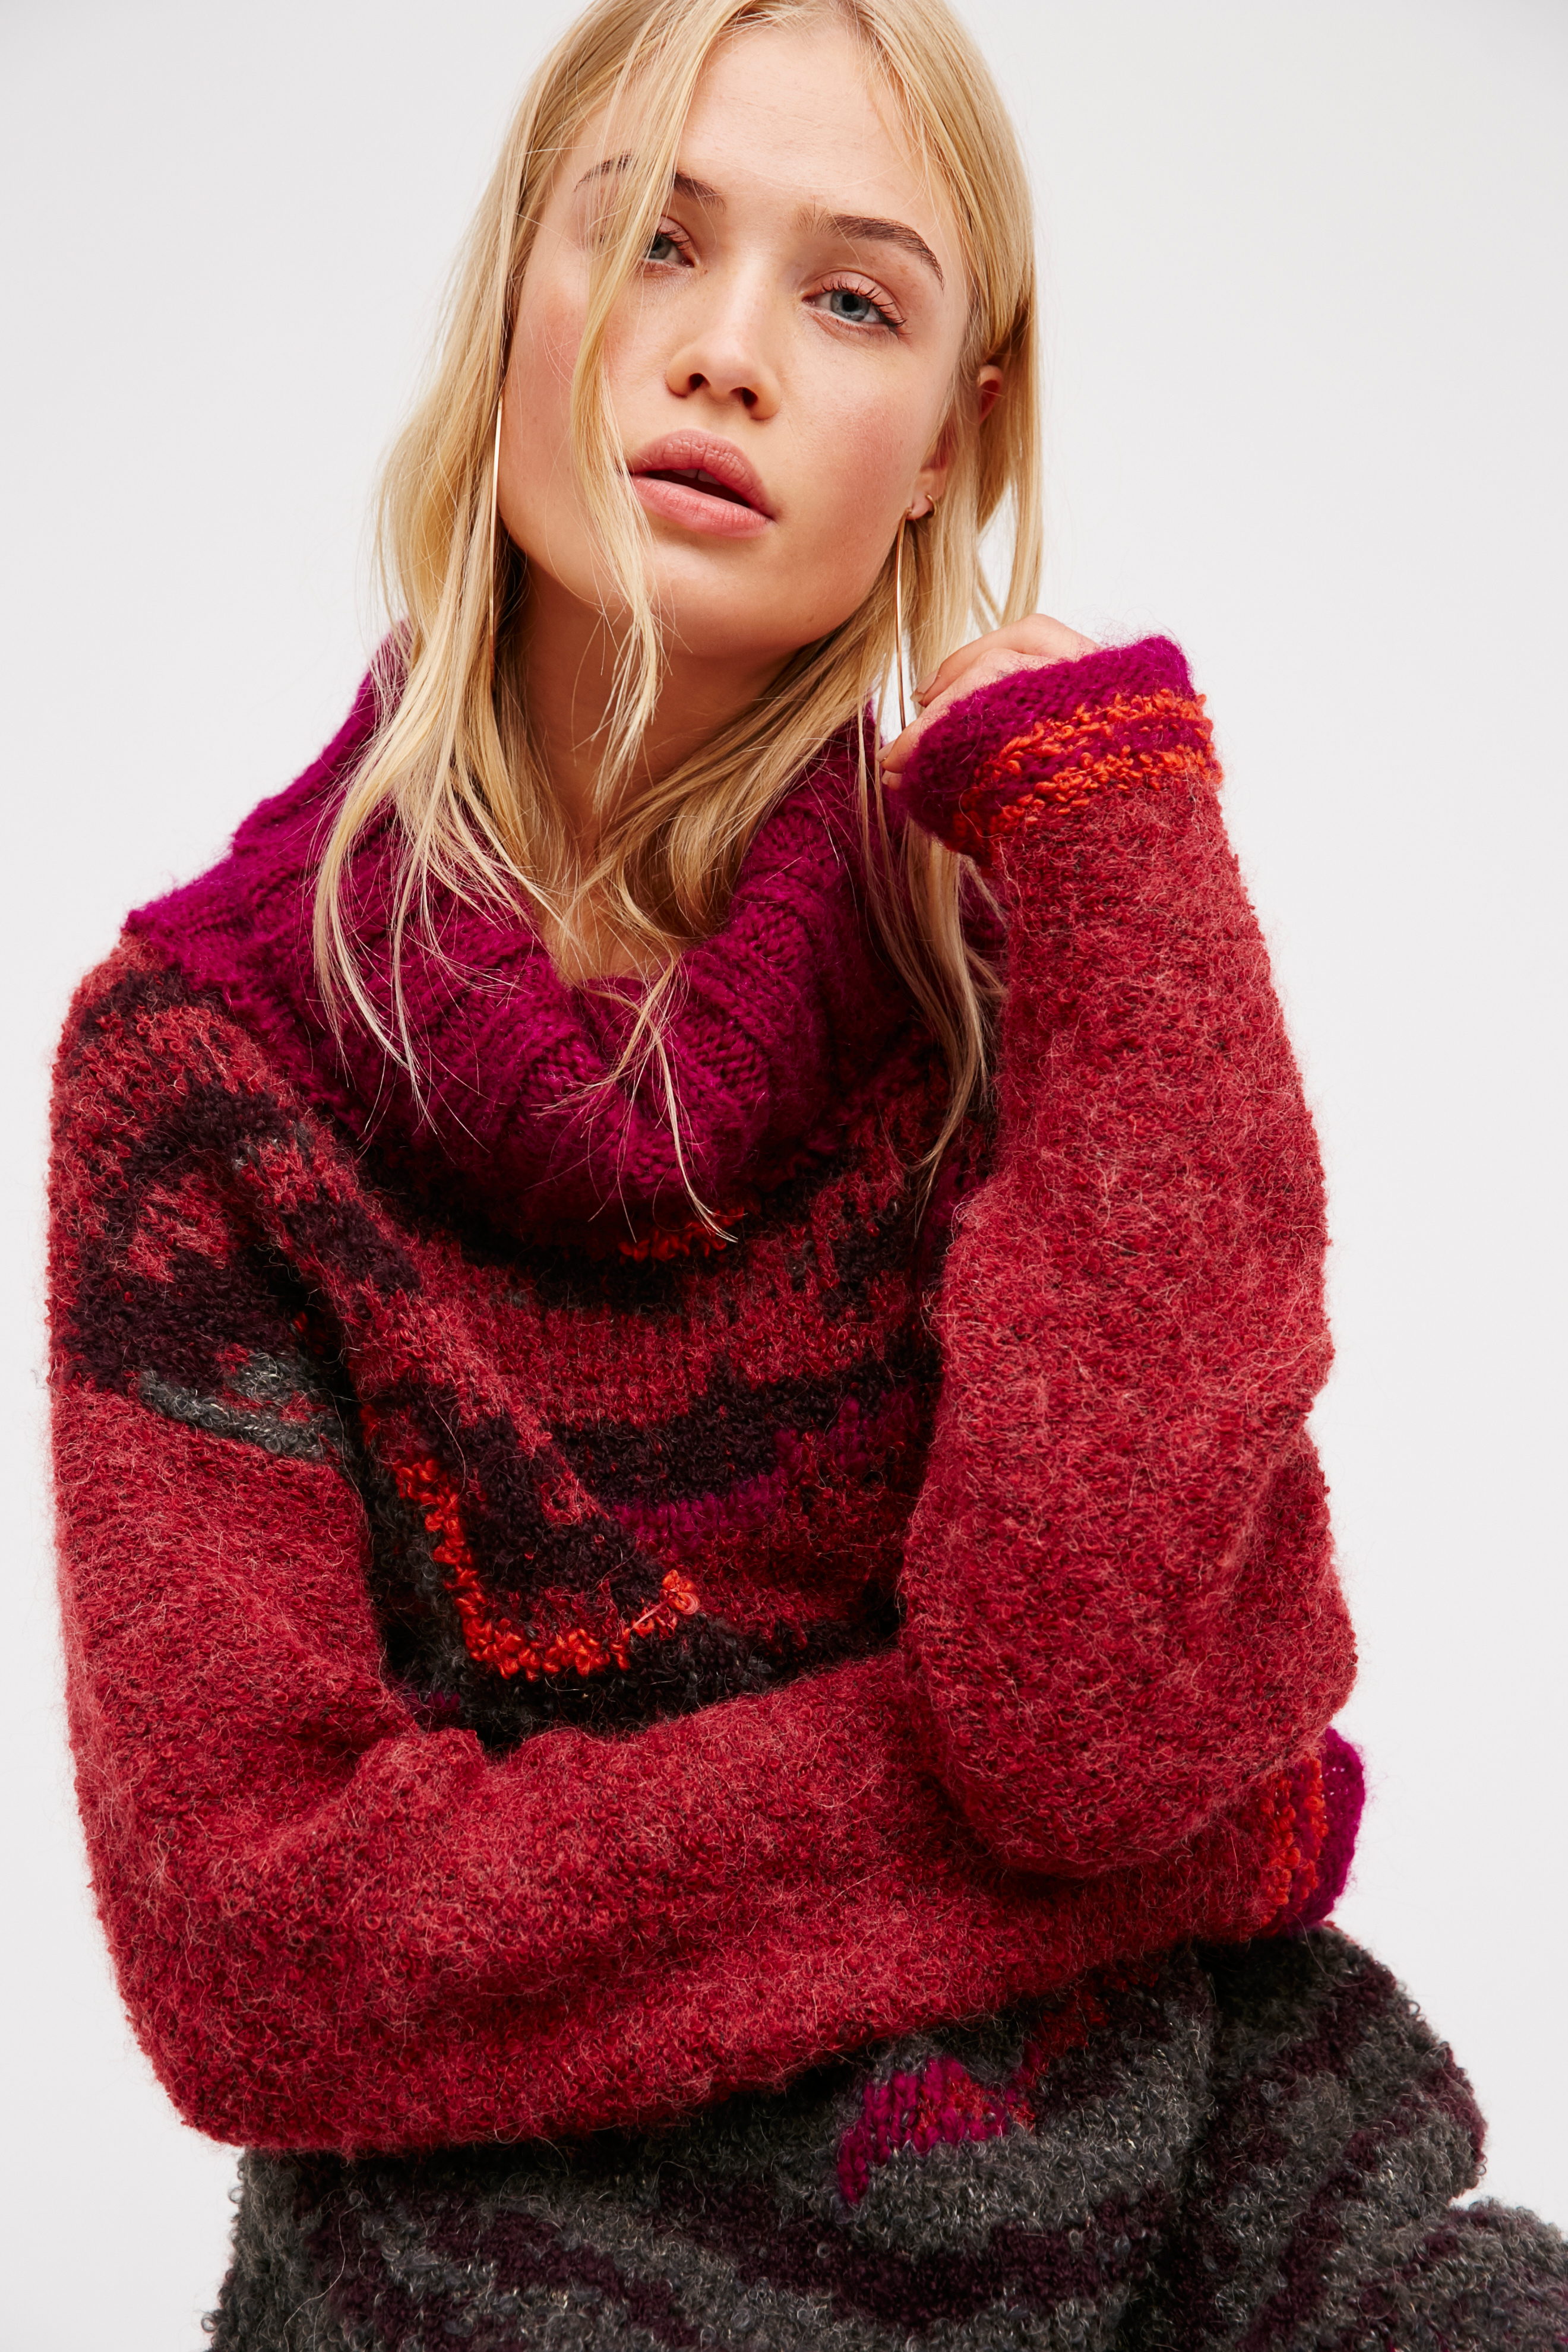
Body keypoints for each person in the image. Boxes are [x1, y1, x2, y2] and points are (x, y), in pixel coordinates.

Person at [45, 1, 1567, 2344]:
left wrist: (1132, 854)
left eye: (852, 297)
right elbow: (266, 1951)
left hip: (1208, 2201)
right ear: (517, 291)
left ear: (955, 433)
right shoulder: (207, 1078)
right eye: (654, 241)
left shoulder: (1043, 947)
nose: (727, 352)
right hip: (514, 2283)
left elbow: (1102, 1728)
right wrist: (1155, 1859)